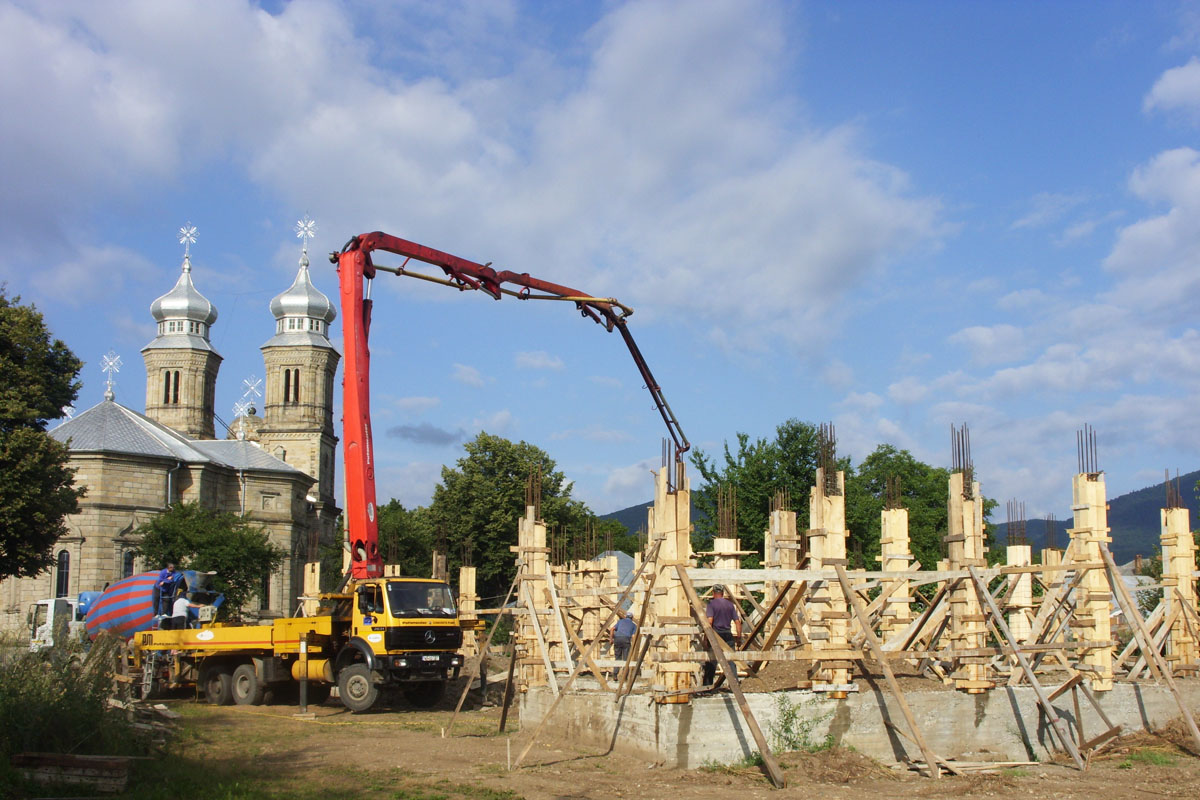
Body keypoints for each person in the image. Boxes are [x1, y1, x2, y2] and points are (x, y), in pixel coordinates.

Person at [702, 584, 742, 686]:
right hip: (728, 634)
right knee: (731, 661)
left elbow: (709, 622)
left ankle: (707, 686)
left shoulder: (711, 604)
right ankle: (734, 685)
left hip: (716, 635)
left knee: (712, 660)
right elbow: (737, 622)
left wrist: (706, 638)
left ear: (713, 593)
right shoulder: (730, 605)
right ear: (723, 593)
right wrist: (738, 637)